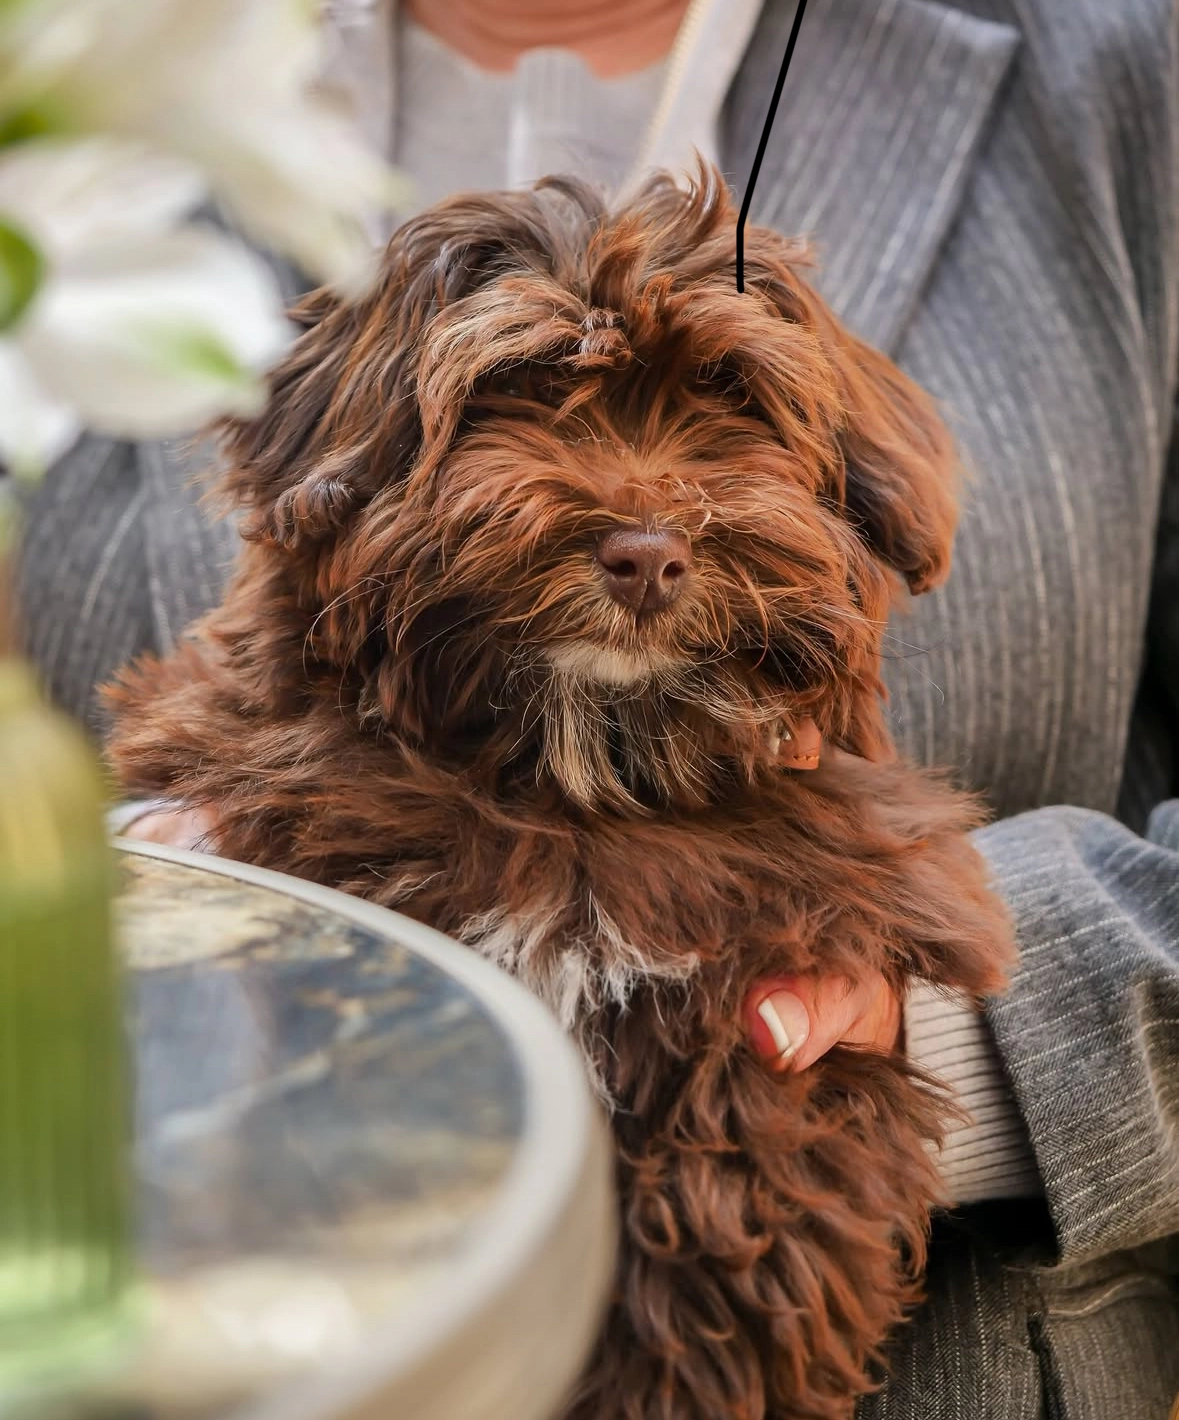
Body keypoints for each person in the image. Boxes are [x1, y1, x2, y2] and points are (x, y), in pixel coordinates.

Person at [18, 0, 1179, 1414]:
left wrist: (962, 1035)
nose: (641, 516)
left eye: (725, 408)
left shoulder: (1129, 62)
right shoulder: (67, 56)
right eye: (519, 398)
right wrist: (130, 914)